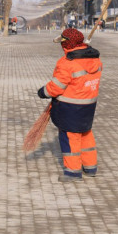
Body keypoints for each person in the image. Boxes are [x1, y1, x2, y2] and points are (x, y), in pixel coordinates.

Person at [37, 28, 102, 182]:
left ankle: (73, 172)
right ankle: (90, 167)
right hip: (89, 105)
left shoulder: (67, 63)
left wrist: (43, 92)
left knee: (70, 137)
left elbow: (57, 86)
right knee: (86, 134)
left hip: (70, 107)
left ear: (67, 44)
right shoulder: (95, 59)